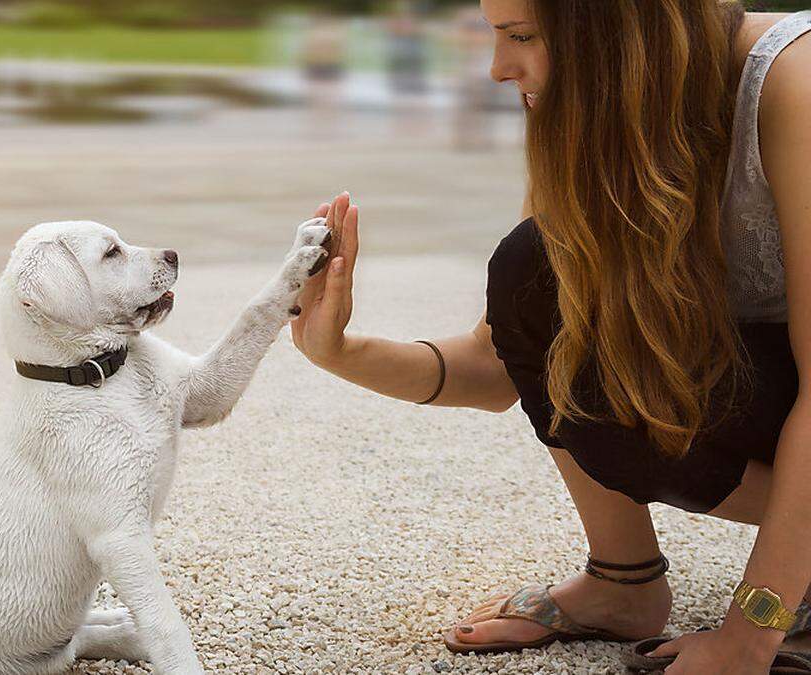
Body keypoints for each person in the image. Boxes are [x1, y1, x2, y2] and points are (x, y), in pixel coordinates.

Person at [292, 1, 811, 673]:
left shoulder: (791, 81)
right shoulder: (608, 117)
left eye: (521, 36)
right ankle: (623, 581)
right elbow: (500, 361)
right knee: (534, 272)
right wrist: (337, 350)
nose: (497, 68)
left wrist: (747, 636)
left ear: (615, 28)